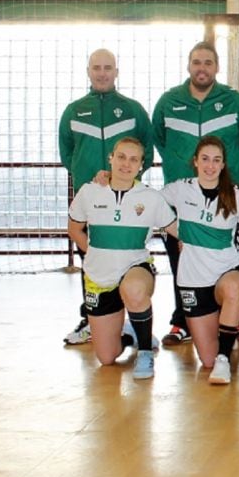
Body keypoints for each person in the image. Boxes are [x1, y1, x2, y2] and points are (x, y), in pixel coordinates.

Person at [153, 41, 239, 346]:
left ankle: (231, 319)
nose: (202, 68)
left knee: (226, 261)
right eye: (197, 62)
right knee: (180, 262)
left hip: (223, 199)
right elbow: (159, 140)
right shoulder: (168, 102)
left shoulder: (233, 101)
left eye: (208, 62)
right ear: (188, 66)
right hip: (185, 201)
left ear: (216, 67)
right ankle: (181, 320)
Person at [58, 48, 153, 346]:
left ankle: (135, 322)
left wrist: (118, 179)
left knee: (127, 261)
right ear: (88, 71)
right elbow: (67, 153)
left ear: (116, 71)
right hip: (91, 205)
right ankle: (92, 319)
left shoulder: (133, 110)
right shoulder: (74, 111)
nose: (102, 72)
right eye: (96, 67)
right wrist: (92, 182)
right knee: (93, 262)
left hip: (125, 205)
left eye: (107, 67)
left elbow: (147, 151)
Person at [67, 137, 174, 379]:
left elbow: (177, 231)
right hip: (98, 277)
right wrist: (92, 255)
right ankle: (130, 334)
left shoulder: (151, 198)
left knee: (135, 290)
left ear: (141, 165)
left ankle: (145, 352)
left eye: (134, 159)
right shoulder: (90, 191)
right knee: (107, 358)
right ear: (111, 159)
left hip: (135, 268)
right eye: (122, 157)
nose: (126, 164)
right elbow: (74, 229)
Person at [160, 137, 239, 385]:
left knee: (233, 289)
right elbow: (148, 203)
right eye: (205, 159)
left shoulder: (237, 196)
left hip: (226, 271)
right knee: (206, 360)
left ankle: (224, 359)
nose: (211, 166)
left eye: (217, 160)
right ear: (196, 162)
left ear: (223, 165)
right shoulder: (179, 189)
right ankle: (220, 349)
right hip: (192, 279)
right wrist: (176, 230)